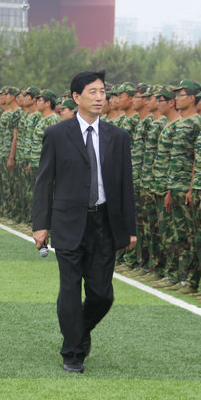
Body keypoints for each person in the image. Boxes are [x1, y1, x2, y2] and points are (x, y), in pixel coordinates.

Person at [32, 70, 137, 374]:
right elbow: (44, 182)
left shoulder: (118, 137)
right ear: (76, 97)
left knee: (102, 294)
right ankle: (72, 352)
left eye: (103, 91)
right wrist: (41, 224)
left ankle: (77, 331)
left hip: (104, 223)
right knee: (69, 288)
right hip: (68, 221)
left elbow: (125, 185)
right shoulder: (57, 134)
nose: (100, 97)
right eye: (93, 91)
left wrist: (130, 228)